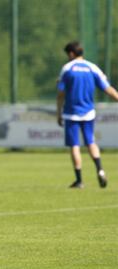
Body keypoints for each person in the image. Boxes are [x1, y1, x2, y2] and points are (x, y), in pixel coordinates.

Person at [56, 41, 118, 189]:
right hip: (89, 112)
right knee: (91, 142)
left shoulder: (67, 69)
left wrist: (59, 113)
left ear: (71, 54)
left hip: (71, 113)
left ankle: (79, 180)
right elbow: (107, 88)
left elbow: (60, 94)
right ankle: (100, 170)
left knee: (74, 145)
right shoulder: (92, 68)